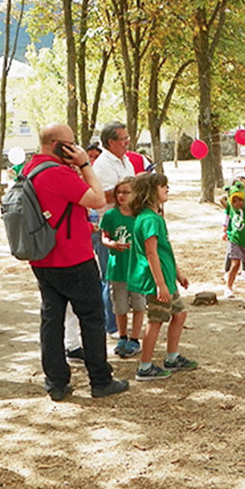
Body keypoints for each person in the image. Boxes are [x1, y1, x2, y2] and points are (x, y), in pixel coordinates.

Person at [23, 122, 129, 401]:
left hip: (42, 257)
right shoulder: (57, 173)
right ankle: (100, 380)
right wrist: (84, 165)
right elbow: (95, 199)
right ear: (59, 146)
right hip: (73, 258)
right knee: (92, 318)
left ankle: (56, 382)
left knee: (51, 318)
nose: (76, 148)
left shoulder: (29, 170)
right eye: (71, 143)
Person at [126, 172, 197, 381]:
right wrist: (160, 284)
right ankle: (145, 367)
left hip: (166, 277)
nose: (167, 189)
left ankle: (172, 358)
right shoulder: (149, 219)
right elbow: (151, 253)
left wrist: (177, 273)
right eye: (162, 186)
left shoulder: (155, 217)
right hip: (158, 281)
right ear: (150, 191)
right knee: (155, 321)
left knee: (180, 314)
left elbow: (165, 250)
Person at [90, 121, 135, 335]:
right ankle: (111, 324)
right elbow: (104, 196)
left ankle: (123, 322)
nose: (127, 142)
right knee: (110, 277)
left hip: (127, 226)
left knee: (126, 276)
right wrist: (130, 189)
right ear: (111, 142)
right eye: (123, 139)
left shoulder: (126, 161)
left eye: (127, 138)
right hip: (108, 228)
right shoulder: (102, 166)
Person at [100, 176, 144, 358]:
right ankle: (122, 336)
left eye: (126, 192)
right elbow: (104, 237)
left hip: (137, 270)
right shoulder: (111, 215)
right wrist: (112, 244)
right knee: (120, 307)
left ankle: (134, 339)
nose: (121, 196)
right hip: (118, 269)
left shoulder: (140, 215)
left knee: (139, 305)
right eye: (119, 192)